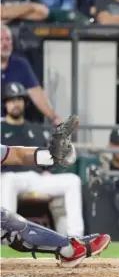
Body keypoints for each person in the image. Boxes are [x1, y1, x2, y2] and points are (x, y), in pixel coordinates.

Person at [1, 116, 111, 268]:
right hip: (15, 178)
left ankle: (70, 247)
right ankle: (69, 249)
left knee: (7, 223)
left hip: (33, 178)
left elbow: (16, 155)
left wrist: (50, 155)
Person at [1, 82, 84, 237]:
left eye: (19, 99)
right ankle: (7, 235)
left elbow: (48, 156)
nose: (16, 103)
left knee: (73, 180)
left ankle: (75, 236)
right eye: (11, 100)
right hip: (9, 177)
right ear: (5, 103)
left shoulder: (35, 129)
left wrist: (49, 171)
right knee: (8, 181)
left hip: (35, 177)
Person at [1, 24, 62, 124]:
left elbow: (35, 92)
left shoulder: (20, 64)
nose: (5, 44)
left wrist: (54, 117)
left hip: (13, 124)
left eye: (8, 39)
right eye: (1, 40)